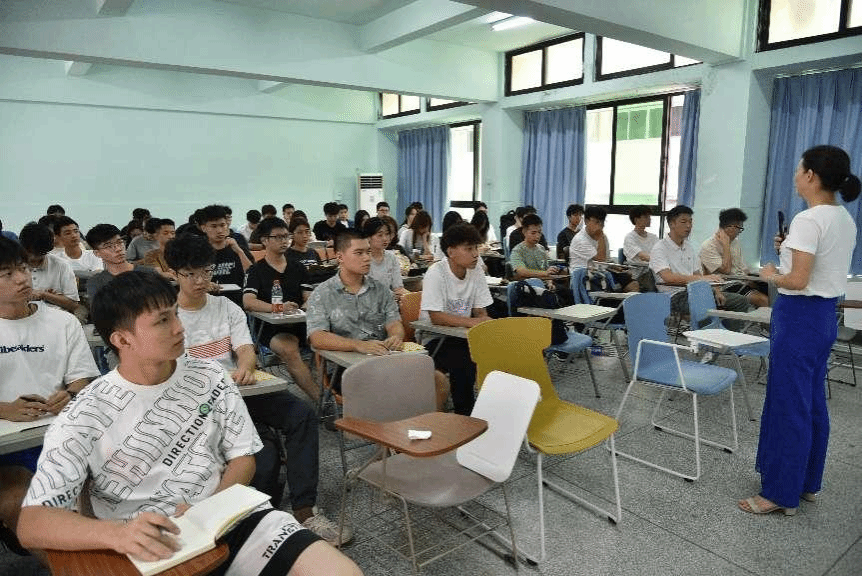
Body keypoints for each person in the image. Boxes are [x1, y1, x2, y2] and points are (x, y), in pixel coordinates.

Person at [16, 271, 362, 575]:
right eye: (162, 321)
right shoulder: (86, 412)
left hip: (227, 517)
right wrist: (117, 533)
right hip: (145, 540)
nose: (179, 328)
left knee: (342, 571)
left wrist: (210, 509)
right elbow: (32, 523)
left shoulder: (211, 376)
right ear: (122, 339)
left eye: (176, 314)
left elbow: (243, 458)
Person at [166, 234, 349, 544]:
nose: (200, 281)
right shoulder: (169, 317)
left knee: (301, 414)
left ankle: (305, 509)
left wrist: (246, 367)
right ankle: (257, 518)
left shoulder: (226, 306)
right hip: (200, 403)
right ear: (174, 274)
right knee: (263, 456)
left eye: (206, 272)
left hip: (240, 392)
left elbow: (245, 349)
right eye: (190, 274)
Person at [739, 145, 859, 517]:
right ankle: (807, 482)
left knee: (788, 404)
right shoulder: (843, 217)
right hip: (822, 317)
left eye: (798, 169)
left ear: (811, 175)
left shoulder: (809, 219)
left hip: (798, 318)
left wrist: (770, 273)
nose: (794, 176)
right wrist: (788, 249)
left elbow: (797, 280)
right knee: (810, 401)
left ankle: (779, 493)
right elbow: (818, 266)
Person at [419, 223, 492, 415]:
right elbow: (436, 317)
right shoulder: (436, 273)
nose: (475, 254)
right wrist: (473, 323)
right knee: (464, 359)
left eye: (476, 248)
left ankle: (493, 408)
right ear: (451, 252)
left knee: (495, 352)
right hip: (434, 339)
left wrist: (484, 323)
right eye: (469, 249)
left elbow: (480, 311)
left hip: (463, 335)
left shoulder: (476, 271)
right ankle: (465, 414)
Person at [243, 218, 318, 403]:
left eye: (286, 236)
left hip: (301, 322)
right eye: (278, 237)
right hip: (272, 327)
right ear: (264, 240)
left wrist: (305, 307)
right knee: (289, 349)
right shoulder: (256, 270)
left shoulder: (298, 267)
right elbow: (248, 302)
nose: (284, 241)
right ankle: (322, 401)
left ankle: (337, 391)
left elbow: (308, 296)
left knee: (329, 342)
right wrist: (278, 308)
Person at [306, 230, 404, 359]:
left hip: (380, 358)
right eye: (359, 253)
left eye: (368, 252)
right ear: (340, 257)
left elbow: (394, 322)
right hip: (342, 363)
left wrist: (395, 337)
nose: (367, 258)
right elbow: (317, 337)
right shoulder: (322, 294)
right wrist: (357, 345)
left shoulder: (381, 290)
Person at [649, 205, 749, 321]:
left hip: (695, 291)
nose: (688, 225)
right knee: (706, 305)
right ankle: (709, 330)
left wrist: (716, 290)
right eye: (684, 222)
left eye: (690, 221)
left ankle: (724, 332)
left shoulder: (688, 247)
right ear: (672, 224)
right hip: (674, 296)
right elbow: (668, 277)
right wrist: (703, 279)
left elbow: (697, 273)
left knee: (740, 301)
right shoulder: (660, 248)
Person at [700, 208, 769, 308]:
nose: (740, 232)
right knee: (764, 300)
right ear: (731, 227)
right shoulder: (708, 246)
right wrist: (726, 245)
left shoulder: (735, 242)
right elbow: (726, 270)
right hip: (726, 284)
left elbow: (743, 269)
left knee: (772, 289)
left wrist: (753, 280)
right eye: (739, 228)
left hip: (741, 280)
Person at [569, 206, 639, 292]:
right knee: (614, 289)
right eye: (597, 222)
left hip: (602, 273)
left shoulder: (602, 237)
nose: (600, 225)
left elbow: (606, 260)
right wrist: (601, 236)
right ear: (586, 221)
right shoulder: (580, 239)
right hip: (585, 277)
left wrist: (616, 267)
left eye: (602, 222)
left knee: (633, 284)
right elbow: (601, 259)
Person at [18, 223, 81, 317]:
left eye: (38, 253)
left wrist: (45, 295)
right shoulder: (11, 266)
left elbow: (73, 305)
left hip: (54, 316)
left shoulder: (61, 265)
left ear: (47, 250)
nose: (32, 257)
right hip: (20, 316)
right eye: (29, 252)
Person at [85, 224, 155, 304]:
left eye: (119, 242)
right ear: (97, 253)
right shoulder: (96, 282)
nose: (118, 249)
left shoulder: (149, 273)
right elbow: (99, 310)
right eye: (108, 246)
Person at [200, 204, 252, 305]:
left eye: (222, 225)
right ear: (204, 228)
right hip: (207, 301)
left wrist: (240, 252)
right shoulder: (198, 250)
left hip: (236, 301)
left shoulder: (238, 247)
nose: (219, 230)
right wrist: (205, 284)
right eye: (214, 226)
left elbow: (251, 275)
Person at [363, 217, 407, 301]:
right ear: (368, 237)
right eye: (380, 235)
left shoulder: (392, 258)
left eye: (387, 234)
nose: (385, 238)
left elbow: (398, 288)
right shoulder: (362, 259)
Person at [510, 214, 562, 280]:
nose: (537, 236)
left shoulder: (541, 249)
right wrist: (544, 273)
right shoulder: (517, 251)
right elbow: (522, 272)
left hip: (544, 283)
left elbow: (546, 269)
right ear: (524, 232)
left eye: (539, 232)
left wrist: (550, 280)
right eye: (533, 233)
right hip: (527, 284)